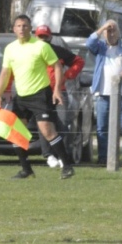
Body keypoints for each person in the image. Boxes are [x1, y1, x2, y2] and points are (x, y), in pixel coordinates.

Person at [0, 15, 74, 180]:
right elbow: (5, 72)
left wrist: (57, 90)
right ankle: (26, 169)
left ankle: (67, 166)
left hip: (40, 95)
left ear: (30, 28)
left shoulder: (41, 46)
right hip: (21, 96)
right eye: (18, 26)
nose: (22, 29)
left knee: (47, 131)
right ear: (13, 29)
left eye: (25, 26)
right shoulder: (10, 48)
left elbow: (57, 67)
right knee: (15, 132)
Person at [85, 20, 122, 168]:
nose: (111, 33)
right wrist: (102, 28)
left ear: (119, 32)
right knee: (102, 127)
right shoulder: (100, 47)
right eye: (109, 31)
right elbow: (89, 43)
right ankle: (104, 158)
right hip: (103, 94)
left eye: (114, 30)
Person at [33, 25, 85, 168]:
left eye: (45, 36)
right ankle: (48, 155)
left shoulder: (58, 51)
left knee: (62, 124)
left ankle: (61, 155)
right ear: (36, 37)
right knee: (44, 124)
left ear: (50, 37)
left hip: (59, 92)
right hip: (40, 93)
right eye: (40, 36)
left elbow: (79, 61)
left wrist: (68, 75)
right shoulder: (31, 52)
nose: (43, 39)